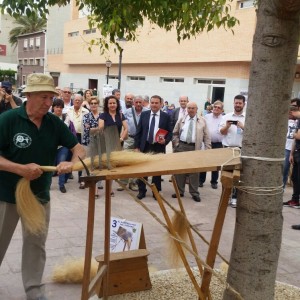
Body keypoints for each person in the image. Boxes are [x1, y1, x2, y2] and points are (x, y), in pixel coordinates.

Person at [0, 73, 85, 300]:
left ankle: (34, 290)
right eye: (44, 97)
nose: (50, 103)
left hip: (39, 196)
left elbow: (79, 148)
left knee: (36, 245)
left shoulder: (53, 123)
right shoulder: (8, 119)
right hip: (6, 195)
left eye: (51, 97)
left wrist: (71, 162)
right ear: (28, 96)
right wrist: (20, 169)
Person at [134, 95, 172, 199]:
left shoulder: (166, 116)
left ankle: (156, 191)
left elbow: (170, 132)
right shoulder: (144, 115)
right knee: (143, 170)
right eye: (152, 103)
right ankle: (142, 190)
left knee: (157, 171)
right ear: (150, 103)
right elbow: (139, 132)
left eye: (156, 103)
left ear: (161, 104)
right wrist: (136, 147)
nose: (154, 105)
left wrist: (166, 141)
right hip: (145, 145)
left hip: (158, 147)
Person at [172, 102, 211, 202]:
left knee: (194, 172)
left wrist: (208, 150)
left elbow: (207, 137)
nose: (190, 110)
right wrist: (176, 144)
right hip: (181, 147)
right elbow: (175, 133)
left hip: (195, 148)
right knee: (179, 171)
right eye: (189, 108)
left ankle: (194, 193)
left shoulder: (202, 121)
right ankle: (180, 191)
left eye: (193, 108)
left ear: (197, 109)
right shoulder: (182, 119)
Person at [219, 95, 246, 208]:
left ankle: (234, 197)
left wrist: (243, 127)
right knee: (226, 174)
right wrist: (227, 126)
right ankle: (224, 196)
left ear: (244, 104)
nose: (237, 105)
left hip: (241, 150)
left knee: (237, 176)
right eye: (236, 103)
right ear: (233, 103)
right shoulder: (227, 116)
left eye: (240, 103)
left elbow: (252, 135)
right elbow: (221, 132)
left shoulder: (247, 118)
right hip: (227, 149)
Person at [99, 95, 128, 196]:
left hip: (117, 145)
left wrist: (121, 138)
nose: (112, 105)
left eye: (114, 103)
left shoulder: (120, 115)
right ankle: (97, 189)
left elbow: (126, 129)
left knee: (111, 168)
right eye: (110, 103)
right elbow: (101, 130)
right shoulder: (103, 115)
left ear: (117, 104)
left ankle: (109, 189)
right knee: (102, 167)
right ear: (107, 105)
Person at [118, 95, 148, 192]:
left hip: (141, 140)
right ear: (133, 103)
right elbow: (123, 125)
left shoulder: (147, 111)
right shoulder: (127, 112)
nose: (138, 104)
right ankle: (123, 182)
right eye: (137, 102)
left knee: (137, 162)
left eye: (140, 102)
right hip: (130, 138)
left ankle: (133, 182)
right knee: (125, 161)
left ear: (143, 102)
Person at [199, 100, 224, 189]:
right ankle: (201, 180)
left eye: (219, 108)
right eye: (215, 107)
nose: (216, 109)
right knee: (204, 162)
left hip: (218, 144)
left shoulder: (224, 119)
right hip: (207, 143)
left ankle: (214, 181)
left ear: (222, 110)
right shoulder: (206, 117)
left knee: (215, 163)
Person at [67, 94, 89, 189]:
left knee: (81, 157)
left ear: (81, 102)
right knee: (70, 155)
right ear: (73, 101)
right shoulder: (69, 110)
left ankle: (81, 178)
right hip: (71, 136)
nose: (77, 102)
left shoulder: (86, 111)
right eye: (76, 100)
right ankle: (67, 175)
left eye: (79, 100)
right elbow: (66, 123)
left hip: (82, 136)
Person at [51, 98, 73, 193]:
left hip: (62, 146)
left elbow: (63, 129)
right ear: (53, 108)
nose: (59, 109)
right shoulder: (48, 117)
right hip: (50, 146)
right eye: (57, 107)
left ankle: (61, 184)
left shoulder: (65, 117)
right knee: (50, 165)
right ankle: (47, 184)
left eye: (60, 107)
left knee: (62, 164)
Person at [82, 96, 103, 197]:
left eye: (95, 103)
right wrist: (99, 128)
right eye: (91, 103)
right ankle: (93, 187)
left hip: (101, 143)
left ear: (98, 104)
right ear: (89, 105)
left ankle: (98, 185)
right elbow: (88, 130)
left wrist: (95, 128)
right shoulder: (86, 116)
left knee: (99, 164)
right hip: (89, 143)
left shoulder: (103, 116)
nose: (93, 105)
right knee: (90, 165)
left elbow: (104, 129)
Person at [283, 99, 300, 189]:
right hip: (289, 148)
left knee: (296, 176)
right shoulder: (288, 119)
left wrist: (294, 134)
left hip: (297, 150)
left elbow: (297, 136)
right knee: (286, 172)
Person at [290, 110, 300, 229]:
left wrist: (294, 133)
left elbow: (297, 136)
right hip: (297, 154)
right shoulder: (297, 121)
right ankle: (295, 199)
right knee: (296, 179)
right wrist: (292, 153)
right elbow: (295, 139)